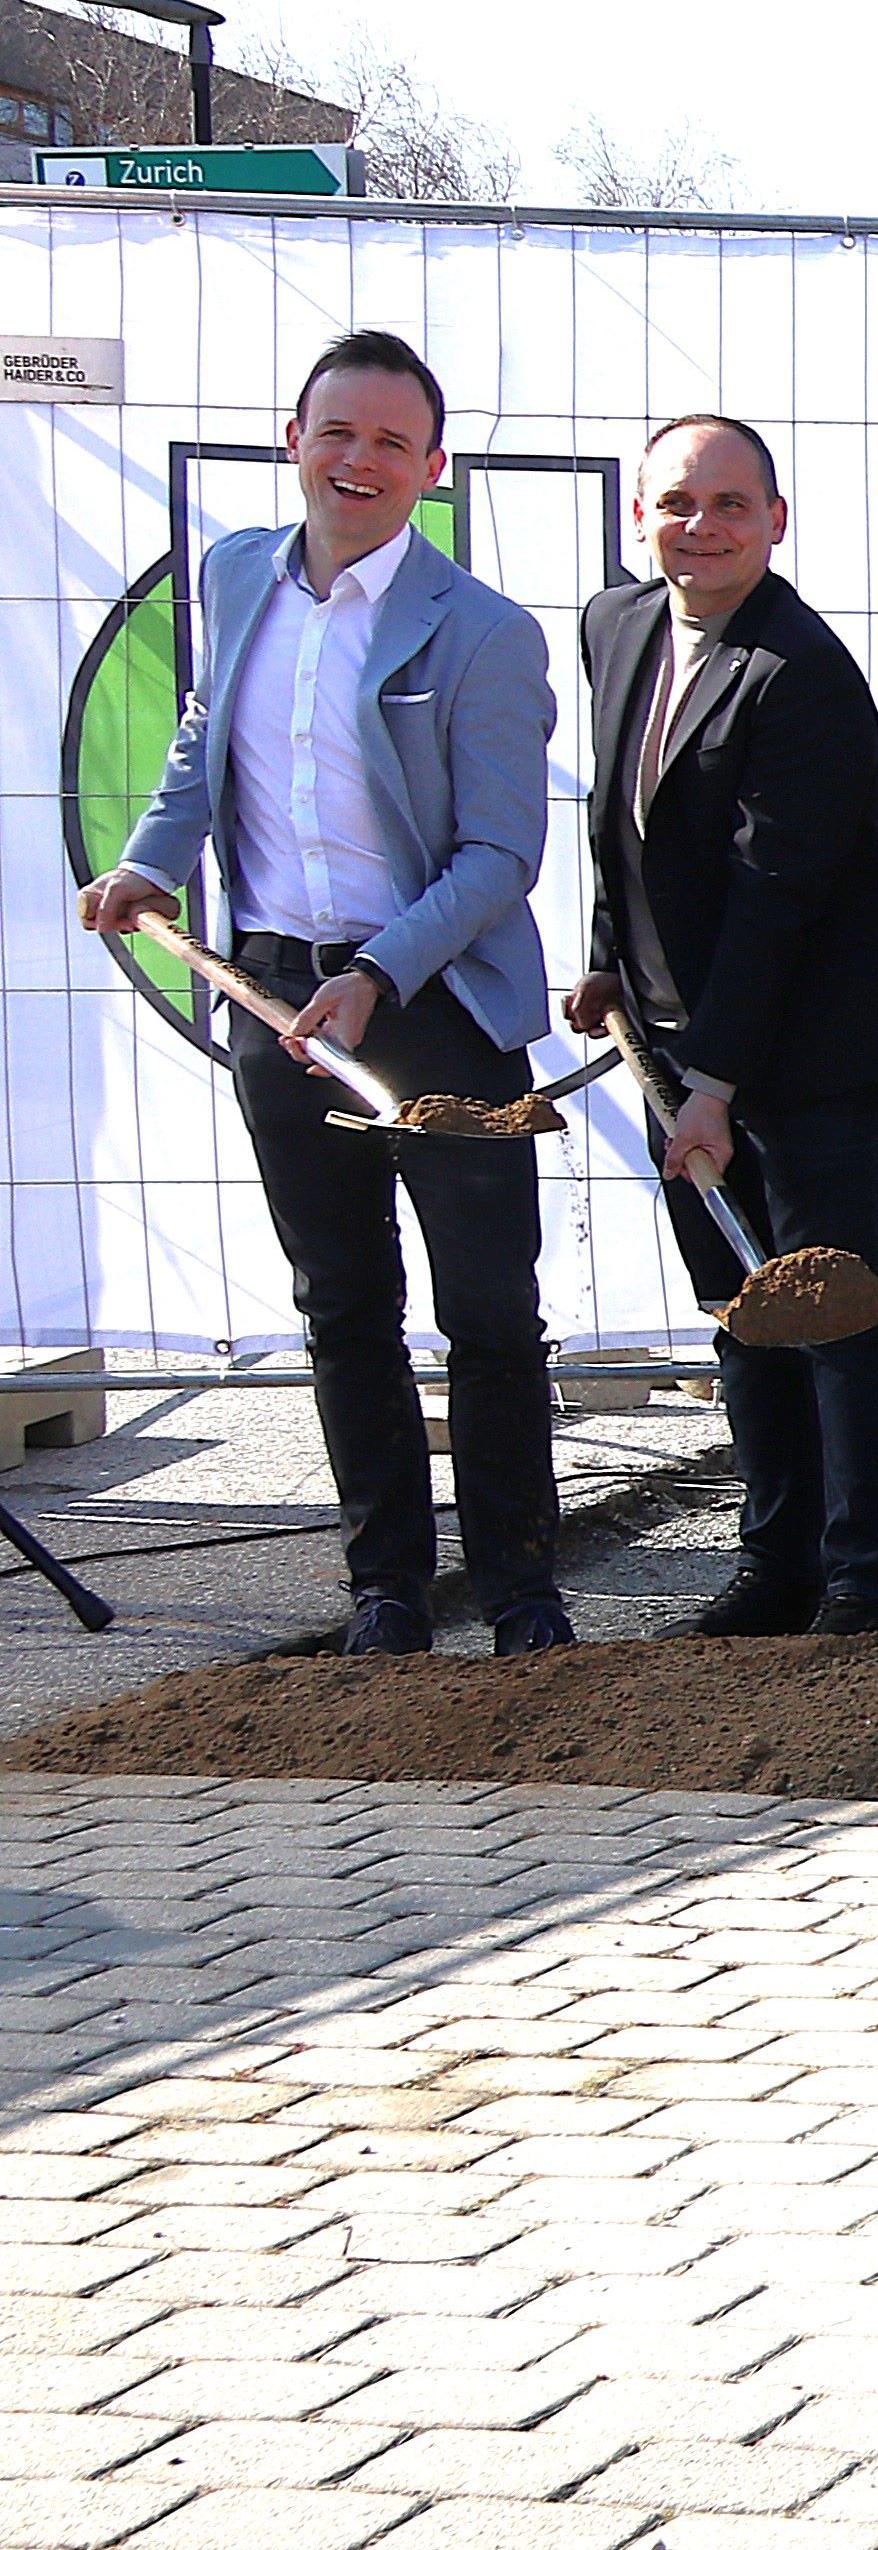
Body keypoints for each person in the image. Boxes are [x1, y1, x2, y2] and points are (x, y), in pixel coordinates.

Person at [78, 331, 571, 1657]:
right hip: (272, 994)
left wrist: (374, 973)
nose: (360, 461)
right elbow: (201, 738)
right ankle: (386, 1594)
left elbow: (499, 856)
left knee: (487, 1312)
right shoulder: (237, 572)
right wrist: (150, 860)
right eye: (337, 432)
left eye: (391, 442)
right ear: (295, 439)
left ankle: (521, 1596)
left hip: (435, 1000)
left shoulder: (482, 631)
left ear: (432, 467)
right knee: (343, 1303)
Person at [564, 414, 878, 1639]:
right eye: (677, 502)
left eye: (730, 504)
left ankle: (864, 1583)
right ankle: (777, 1571)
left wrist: (712, 1081)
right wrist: (610, 961)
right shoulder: (616, 625)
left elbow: (782, 894)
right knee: (739, 1312)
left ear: (776, 519)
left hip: (813, 1052)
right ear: (640, 515)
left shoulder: (801, 670)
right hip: (678, 1046)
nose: (701, 526)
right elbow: (619, 822)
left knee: (832, 1307)